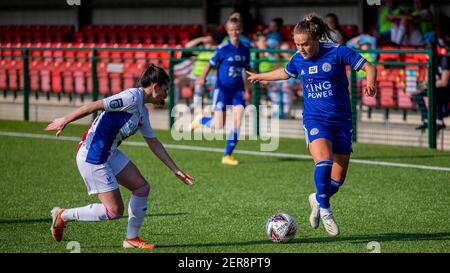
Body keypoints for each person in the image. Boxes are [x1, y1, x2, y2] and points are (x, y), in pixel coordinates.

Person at [246, 13, 377, 236]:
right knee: (323, 161)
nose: (301, 49)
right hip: (315, 120)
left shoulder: (337, 51)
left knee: (337, 180)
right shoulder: (298, 58)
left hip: (342, 121)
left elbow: (369, 67)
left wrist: (371, 82)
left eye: (305, 44)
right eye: (297, 44)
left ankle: (317, 199)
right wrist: (260, 76)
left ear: (316, 39)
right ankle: (325, 209)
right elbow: (285, 73)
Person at [45, 64, 194, 249]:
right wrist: (65, 119)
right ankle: (63, 215)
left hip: (109, 152)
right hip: (94, 155)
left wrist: (176, 170)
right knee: (114, 211)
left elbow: (153, 142)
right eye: (165, 90)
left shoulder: (142, 112)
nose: (166, 94)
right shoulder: (131, 97)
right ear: (155, 87)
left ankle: (131, 239)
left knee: (141, 188)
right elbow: (96, 105)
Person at [191, 17, 252, 166]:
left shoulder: (245, 49)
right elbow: (209, 64)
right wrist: (202, 78)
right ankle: (201, 120)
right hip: (222, 90)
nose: (234, 32)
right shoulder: (222, 49)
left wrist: (258, 78)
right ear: (227, 31)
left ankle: (227, 156)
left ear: (241, 30)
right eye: (231, 30)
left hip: (238, 90)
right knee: (218, 125)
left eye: (237, 29)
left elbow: (247, 68)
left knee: (237, 122)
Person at [414, 39, 450, 131]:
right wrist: (422, 85)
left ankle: (439, 121)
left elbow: (444, 82)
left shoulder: (444, 60)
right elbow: (427, 79)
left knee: (434, 92)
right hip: (436, 87)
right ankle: (426, 119)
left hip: (445, 90)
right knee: (417, 95)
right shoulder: (430, 62)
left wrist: (431, 83)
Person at [184, 34, 218, 112]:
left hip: (209, 76)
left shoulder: (215, 51)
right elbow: (187, 46)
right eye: (206, 42)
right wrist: (201, 39)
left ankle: (213, 105)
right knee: (197, 84)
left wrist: (214, 47)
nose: (207, 43)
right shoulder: (201, 50)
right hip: (194, 75)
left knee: (214, 83)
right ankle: (196, 106)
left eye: (209, 42)